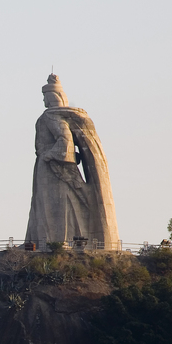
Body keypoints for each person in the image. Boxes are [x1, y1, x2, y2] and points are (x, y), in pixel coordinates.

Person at [25, 74, 119, 250]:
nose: (44, 100)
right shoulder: (52, 116)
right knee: (51, 204)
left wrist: (50, 155)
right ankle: (47, 241)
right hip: (50, 166)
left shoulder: (49, 117)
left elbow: (65, 140)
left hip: (53, 168)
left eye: (45, 96)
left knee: (58, 204)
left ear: (52, 97)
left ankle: (56, 241)